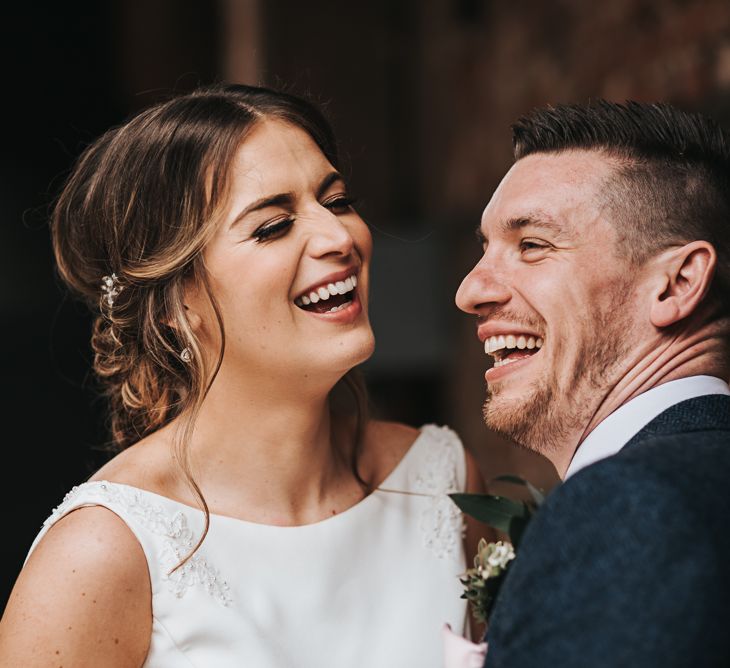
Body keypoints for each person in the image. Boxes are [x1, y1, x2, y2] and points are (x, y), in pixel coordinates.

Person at [0, 83, 488, 667]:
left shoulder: (444, 482)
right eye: (272, 226)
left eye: (335, 201)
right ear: (178, 301)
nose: (341, 239)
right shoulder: (103, 555)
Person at [455, 100, 730, 666]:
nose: (470, 291)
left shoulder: (630, 504)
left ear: (676, 284)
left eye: (532, 245)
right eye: (485, 248)